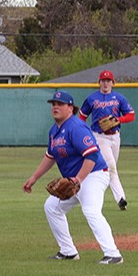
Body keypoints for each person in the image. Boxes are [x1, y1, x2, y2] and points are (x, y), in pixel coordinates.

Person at [23, 90, 124, 265]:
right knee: (52, 207)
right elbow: (50, 157)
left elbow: (91, 156)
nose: (55, 107)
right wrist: (34, 178)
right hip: (75, 179)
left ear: (70, 108)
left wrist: (77, 180)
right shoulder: (54, 131)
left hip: (94, 175)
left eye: (60, 104)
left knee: (91, 210)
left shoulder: (76, 127)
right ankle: (68, 251)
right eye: (53, 104)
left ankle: (113, 254)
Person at [79, 70, 135, 210]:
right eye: (103, 80)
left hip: (115, 136)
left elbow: (131, 115)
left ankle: (90, 194)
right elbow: (81, 117)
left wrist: (118, 120)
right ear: (99, 82)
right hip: (99, 137)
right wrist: (86, 133)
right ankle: (121, 199)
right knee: (111, 168)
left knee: (107, 171)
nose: (105, 83)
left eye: (108, 80)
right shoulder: (92, 98)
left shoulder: (119, 98)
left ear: (113, 83)